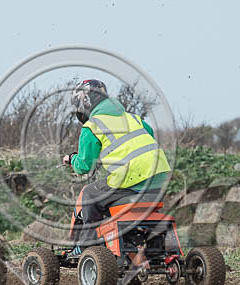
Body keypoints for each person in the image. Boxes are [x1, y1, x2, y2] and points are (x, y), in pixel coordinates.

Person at [62, 79, 171, 253]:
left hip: (133, 178)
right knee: (106, 192)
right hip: (160, 176)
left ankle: (86, 245)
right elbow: (147, 135)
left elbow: (84, 165)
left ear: (84, 103)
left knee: (90, 194)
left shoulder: (92, 126)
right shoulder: (133, 118)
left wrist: (71, 159)